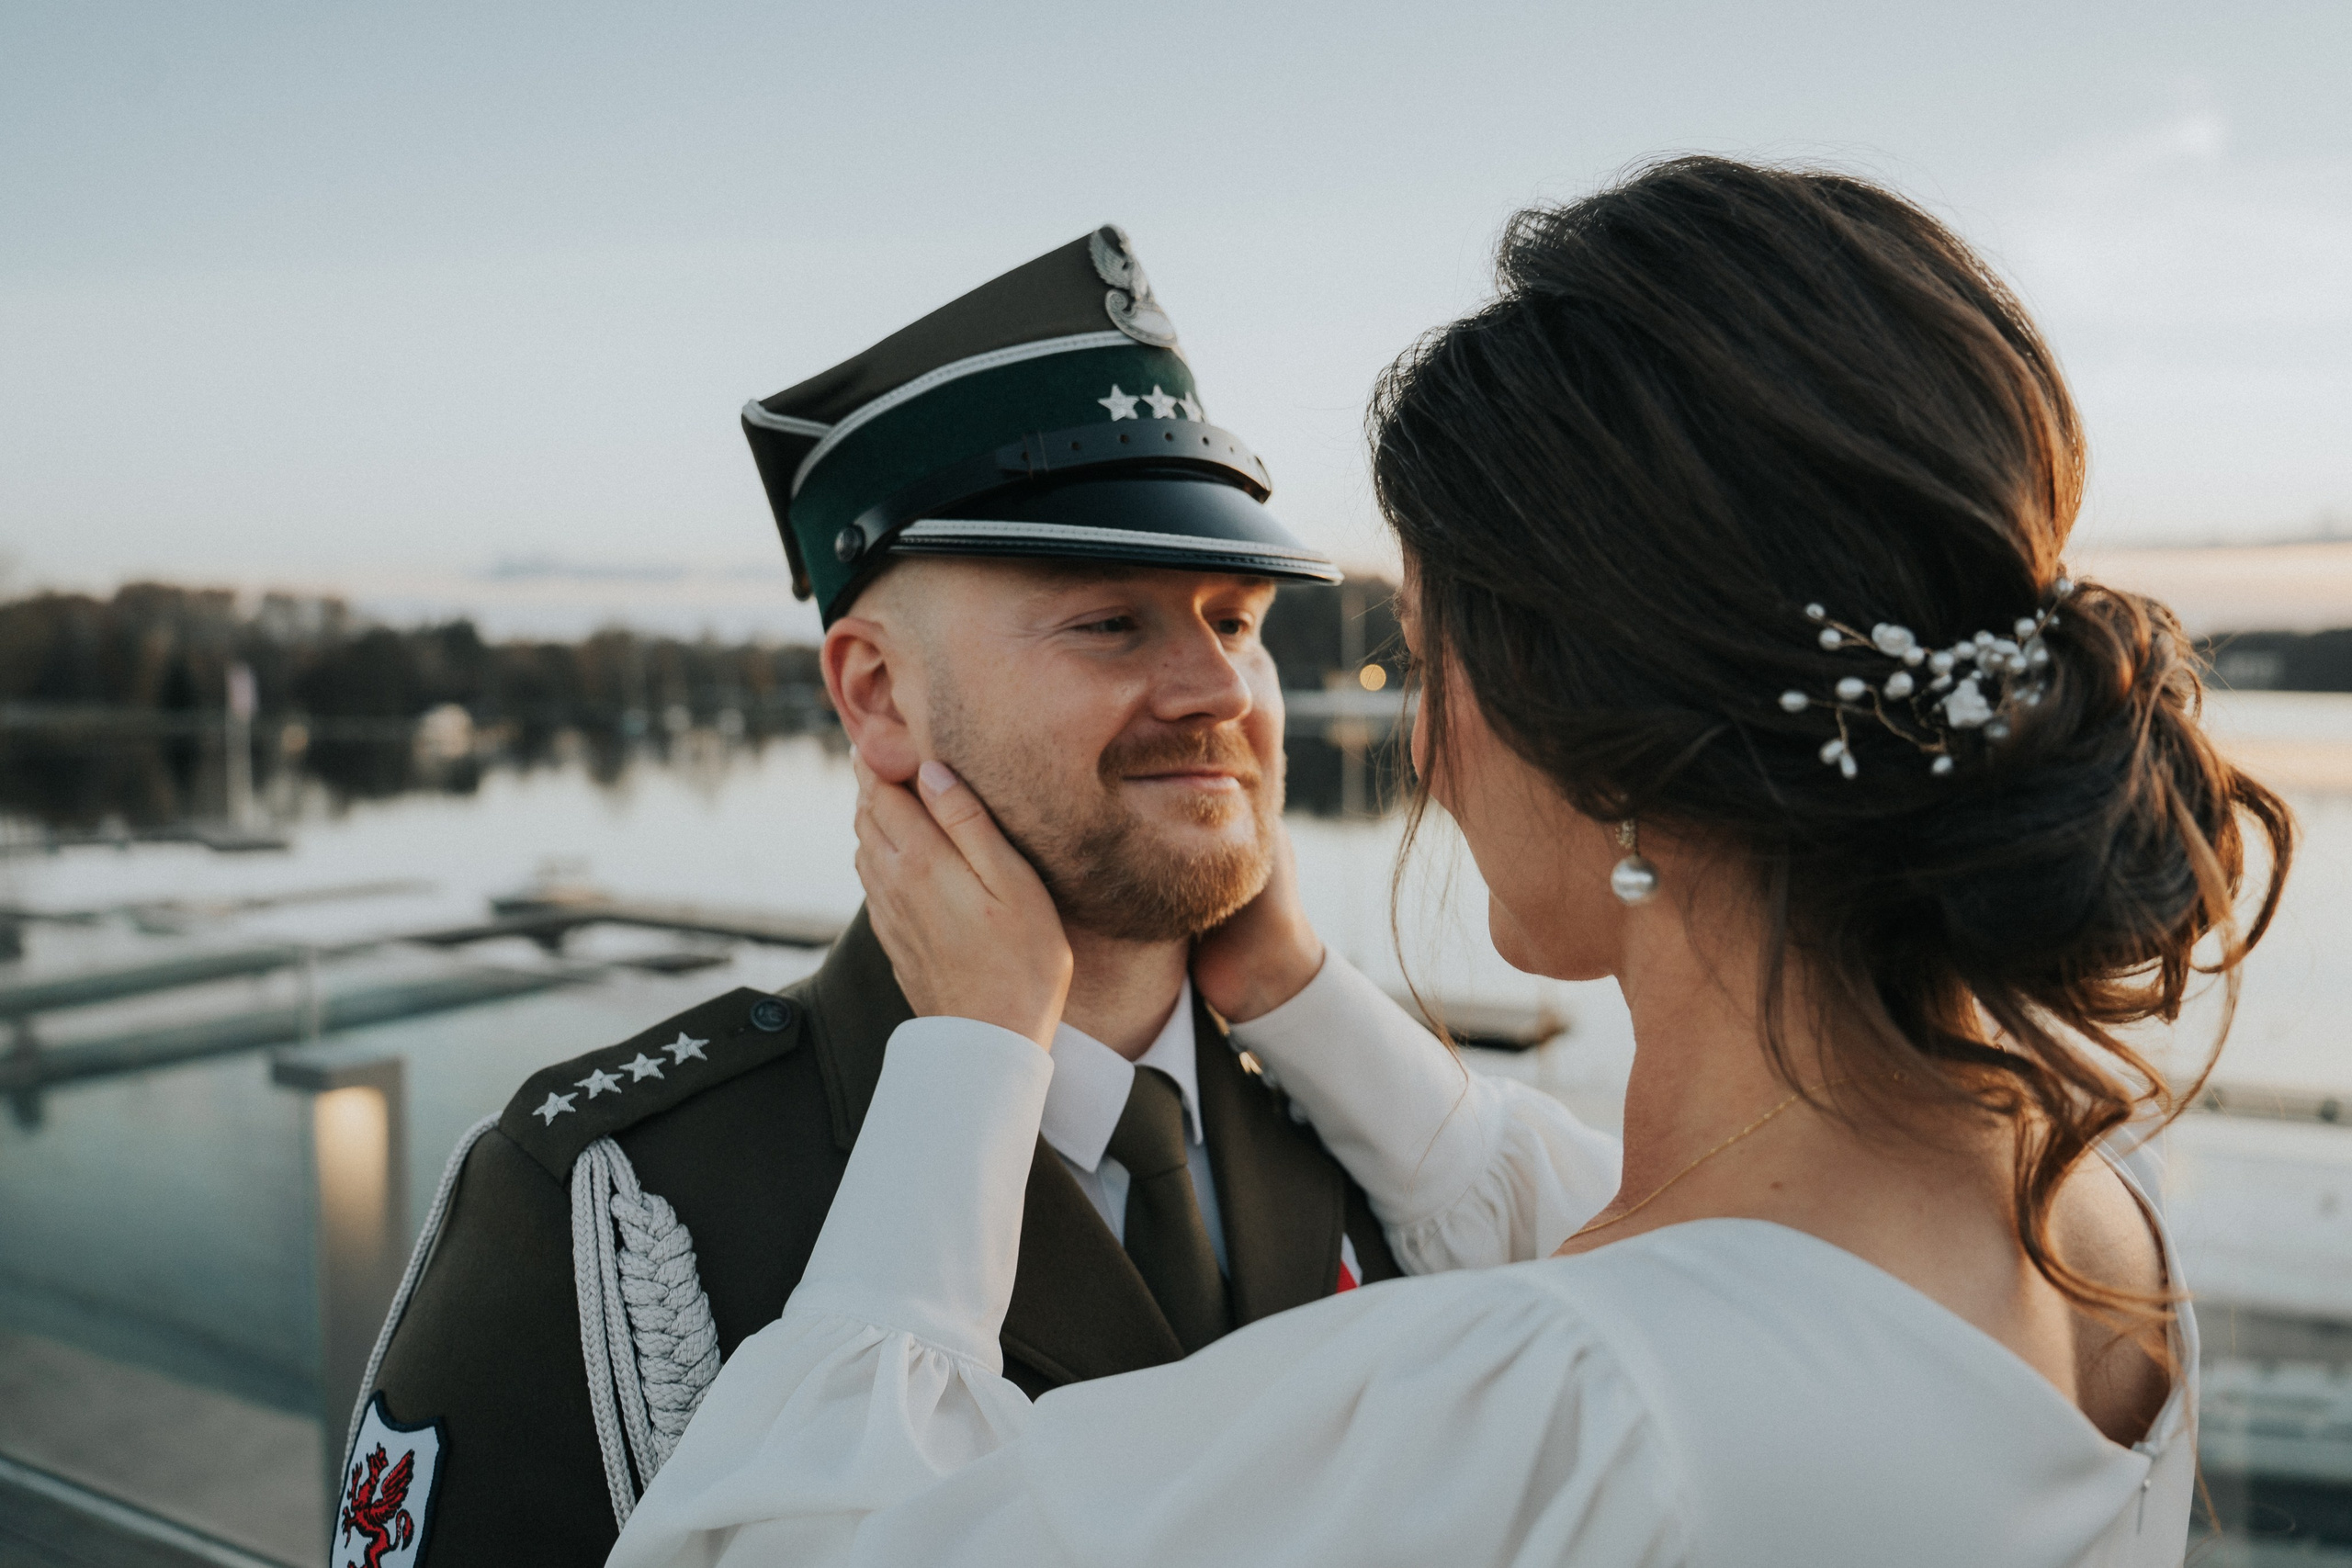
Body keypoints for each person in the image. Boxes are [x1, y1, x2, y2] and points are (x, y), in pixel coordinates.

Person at [605, 156, 2297, 1568]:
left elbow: (767, 1545)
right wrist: (1299, 992)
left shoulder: (1554, 1408)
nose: (1421, 747)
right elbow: (1639, 1242)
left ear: (1598, 723)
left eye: (1431, 659)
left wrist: (967, 1053)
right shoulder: (2088, 1227)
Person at [334, 228, 1524, 1565]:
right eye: (1108, 621)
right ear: (876, 694)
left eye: (1235, 619)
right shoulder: (607, 1203)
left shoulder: (1368, 1125)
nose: (1217, 693)